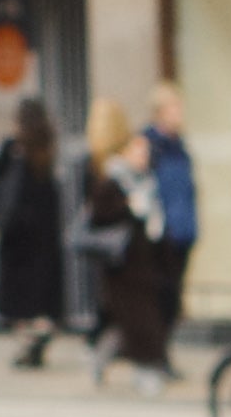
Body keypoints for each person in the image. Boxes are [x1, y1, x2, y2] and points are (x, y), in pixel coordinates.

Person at [77, 108, 173, 389]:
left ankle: (108, 358)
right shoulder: (112, 181)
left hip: (144, 266)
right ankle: (147, 373)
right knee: (138, 323)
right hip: (123, 267)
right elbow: (100, 216)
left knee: (128, 325)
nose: (145, 156)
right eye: (139, 150)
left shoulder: (145, 182)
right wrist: (127, 208)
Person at [0, 95, 65, 367]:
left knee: (18, 298)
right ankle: (39, 335)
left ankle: (29, 343)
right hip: (43, 231)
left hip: (18, 232)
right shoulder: (47, 146)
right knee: (39, 292)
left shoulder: (13, 148)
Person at [142, 82, 200, 366]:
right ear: (160, 111)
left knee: (173, 300)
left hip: (183, 232)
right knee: (160, 299)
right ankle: (155, 357)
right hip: (161, 235)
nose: (179, 113)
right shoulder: (149, 146)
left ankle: (161, 354)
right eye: (174, 107)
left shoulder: (180, 146)